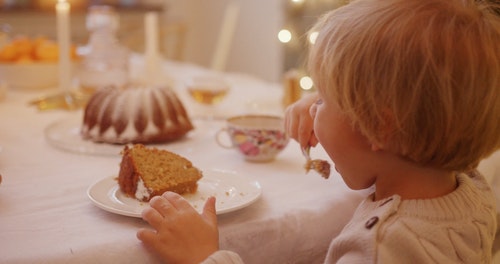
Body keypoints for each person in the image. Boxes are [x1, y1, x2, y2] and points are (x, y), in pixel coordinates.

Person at [136, 0, 500, 262]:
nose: (312, 106)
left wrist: (204, 256)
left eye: (323, 99)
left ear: (380, 126)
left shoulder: (380, 250)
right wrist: (338, 104)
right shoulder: (468, 188)